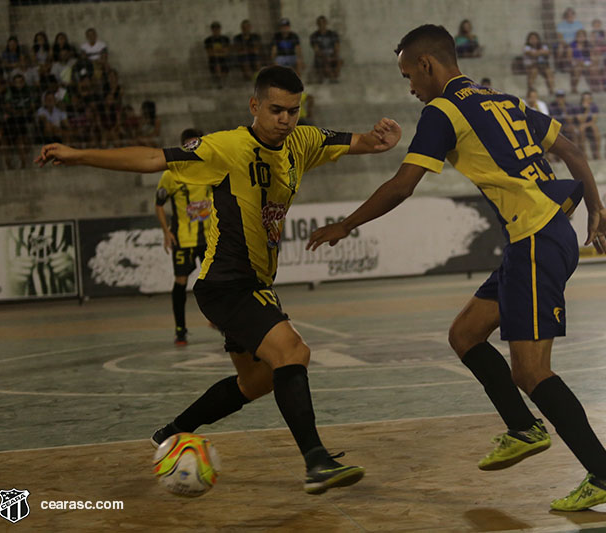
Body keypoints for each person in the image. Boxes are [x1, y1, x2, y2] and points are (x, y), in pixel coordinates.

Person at [306, 24, 606, 512]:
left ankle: (605, 475)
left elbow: (402, 184)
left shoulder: (442, 111)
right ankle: (522, 428)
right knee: (465, 334)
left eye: (408, 77)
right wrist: (596, 207)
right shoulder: (501, 100)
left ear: (427, 65)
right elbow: (572, 151)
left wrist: (346, 225)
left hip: (535, 239)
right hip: (543, 234)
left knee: (531, 371)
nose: (410, 89)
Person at [35, 65, 402, 495]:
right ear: (254, 106)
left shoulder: (302, 141)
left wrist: (380, 141)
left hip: (255, 284)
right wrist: (78, 154)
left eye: (293, 111)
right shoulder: (225, 147)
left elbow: (356, 141)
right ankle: (316, 461)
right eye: (276, 110)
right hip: (226, 284)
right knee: (293, 353)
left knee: (257, 382)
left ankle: (172, 431)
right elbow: (154, 159)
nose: (285, 120)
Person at [154, 128, 213, 345]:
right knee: (181, 282)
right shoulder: (171, 174)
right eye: (190, 145)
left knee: (219, 280)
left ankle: (220, 321)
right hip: (183, 239)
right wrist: (166, 231)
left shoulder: (211, 168)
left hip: (210, 238)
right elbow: (159, 204)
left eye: (197, 144)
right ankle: (180, 329)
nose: (194, 149)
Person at [310, 15, 342, 83]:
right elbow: (316, 50)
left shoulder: (333, 34)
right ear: (317, 24)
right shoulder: (314, 36)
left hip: (332, 55)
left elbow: (337, 48)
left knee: (339, 60)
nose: (322, 24)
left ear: (326, 23)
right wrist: (326, 57)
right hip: (321, 57)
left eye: (323, 22)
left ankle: (334, 75)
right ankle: (331, 77)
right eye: (320, 23)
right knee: (324, 61)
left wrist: (333, 56)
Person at [204, 21, 230, 88]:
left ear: (220, 29)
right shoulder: (208, 40)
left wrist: (215, 51)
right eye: (214, 29)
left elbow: (226, 52)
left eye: (217, 29)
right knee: (216, 63)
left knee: (222, 63)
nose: (216, 30)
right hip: (214, 60)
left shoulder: (225, 39)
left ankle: (222, 82)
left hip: (224, 59)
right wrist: (220, 51)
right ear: (212, 30)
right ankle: (220, 82)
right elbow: (210, 53)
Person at [576, 91, 600, 159]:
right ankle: (584, 153)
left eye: (588, 99)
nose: (587, 101)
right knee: (581, 129)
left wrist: (585, 125)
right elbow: (581, 120)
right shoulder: (578, 108)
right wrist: (586, 110)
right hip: (581, 127)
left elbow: (594, 121)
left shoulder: (594, 107)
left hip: (589, 126)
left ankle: (597, 153)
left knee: (595, 128)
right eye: (585, 99)